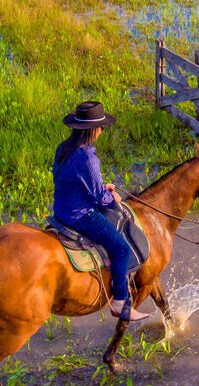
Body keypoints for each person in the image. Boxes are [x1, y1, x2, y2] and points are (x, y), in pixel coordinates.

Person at [53, 101, 149, 322]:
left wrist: (97, 188)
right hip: (80, 215)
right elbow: (102, 200)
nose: (102, 131)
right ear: (94, 130)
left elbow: (63, 178)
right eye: (101, 127)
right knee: (121, 248)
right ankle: (119, 301)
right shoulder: (88, 157)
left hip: (61, 209)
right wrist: (111, 196)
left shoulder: (64, 148)